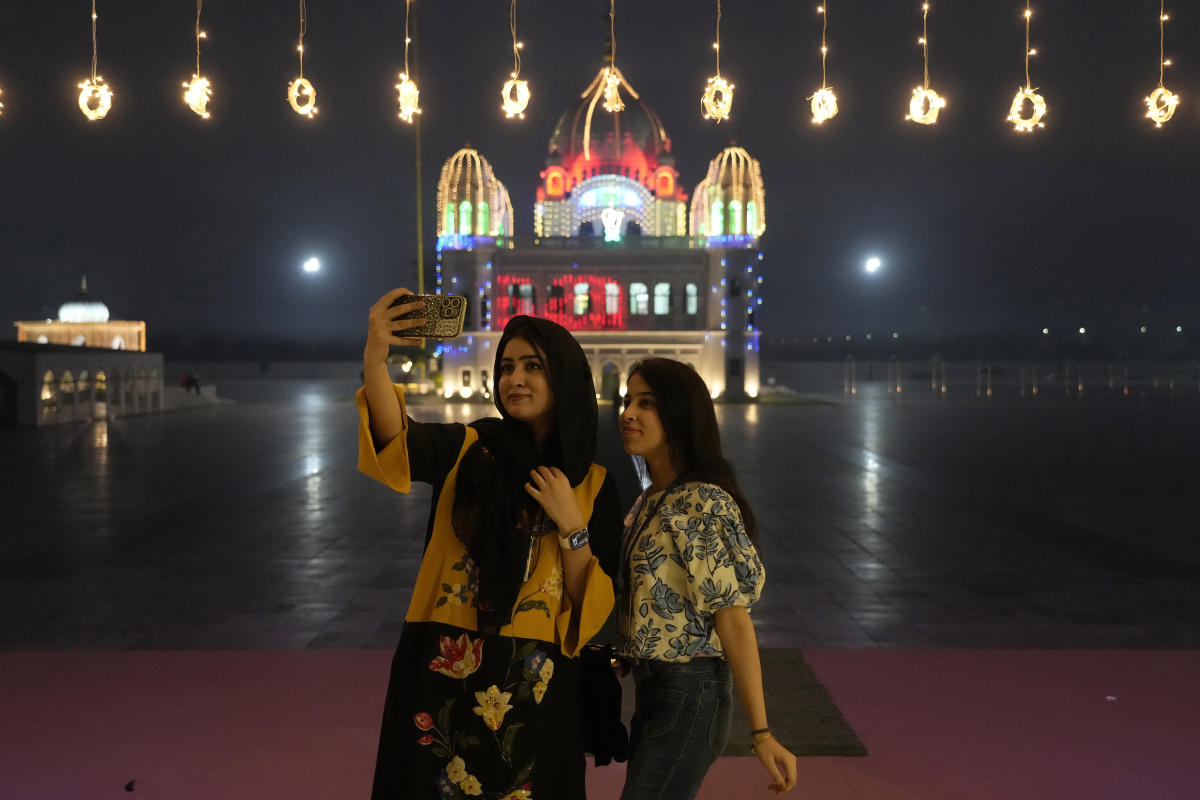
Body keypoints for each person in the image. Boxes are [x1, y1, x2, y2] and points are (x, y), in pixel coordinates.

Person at [359, 288, 622, 800]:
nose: (515, 379)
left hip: (538, 678)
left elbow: (590, 606)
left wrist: (571, 524)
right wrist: (375, 354)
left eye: (533, 366)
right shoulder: (468, 449)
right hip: (448, 660)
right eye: (506, 367)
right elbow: (397, 441)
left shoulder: (592, 484)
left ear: (564, 378)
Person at [615, 358, 798, 799]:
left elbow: (732, 620)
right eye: (627, 401)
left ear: (680, 415)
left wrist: (762, 733)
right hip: (655, 687)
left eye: (647, 404)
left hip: (691, 693)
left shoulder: (701, 502)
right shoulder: (650, 501)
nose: (628, 414)